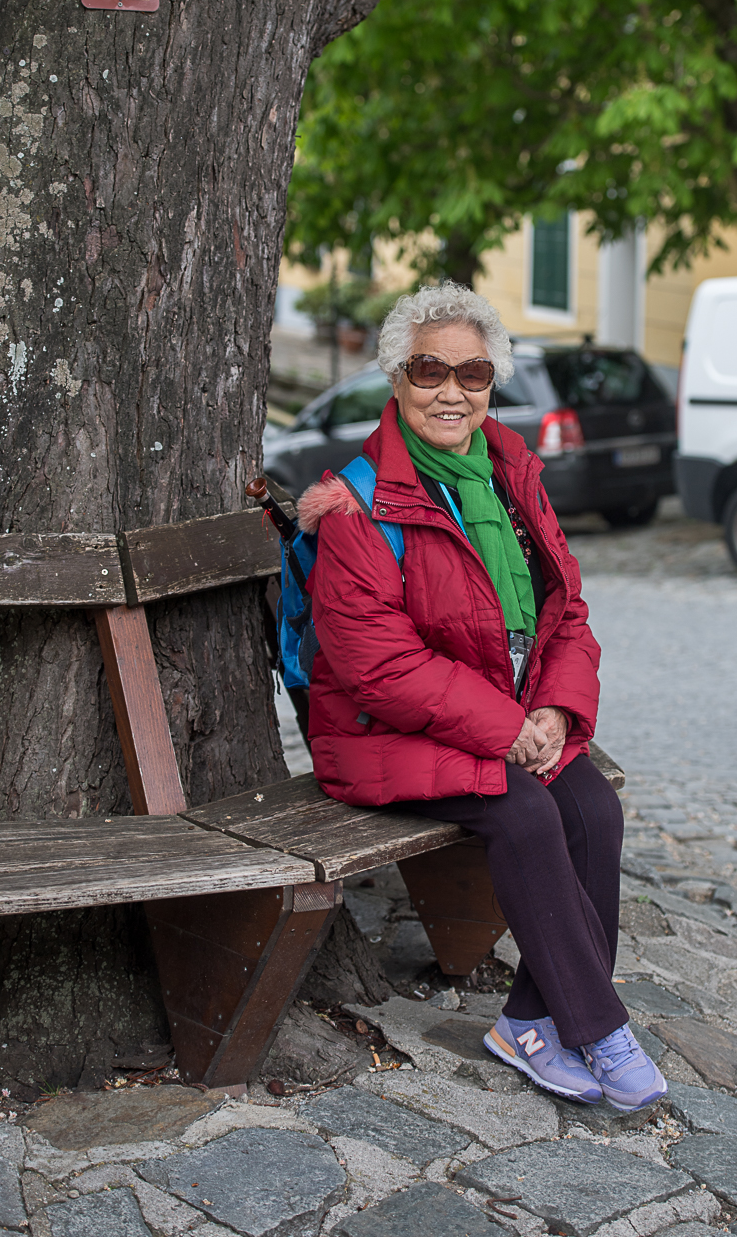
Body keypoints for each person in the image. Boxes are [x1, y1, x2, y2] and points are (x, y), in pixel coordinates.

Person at [296, 282, 665, 1109]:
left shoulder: (508, 473)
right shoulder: (358, 505)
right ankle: (599, 1029)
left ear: (492, 381)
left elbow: (567, 609)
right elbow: (378, 669)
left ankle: (528, 1022)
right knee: (529, 812)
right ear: (396, 376)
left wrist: (556, 712)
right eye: (430, 370)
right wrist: (509, 729)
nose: (452, 390)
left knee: (594, 809)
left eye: (473, 372)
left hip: (500, 720)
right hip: (379, 731)